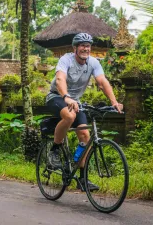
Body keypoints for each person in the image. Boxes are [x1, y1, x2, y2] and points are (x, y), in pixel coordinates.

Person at [46, 33, 123, 191]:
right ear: (75, 48)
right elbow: (60, 79)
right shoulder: (66, 59)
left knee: (85, 137)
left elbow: (102, 82)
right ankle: (54, 150)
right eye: (82, 45)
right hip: (57, 97)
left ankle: (82, 179)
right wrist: (66, 97)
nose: (85, 48)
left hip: (76, 101)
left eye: (88, 46)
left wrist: (114, 102)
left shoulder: (93, 63)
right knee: (69, 115)